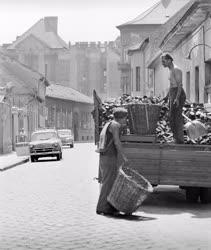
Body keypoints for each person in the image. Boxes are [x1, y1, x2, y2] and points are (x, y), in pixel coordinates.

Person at [96, 107, 128, 216]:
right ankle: (101, 207)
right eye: (125, 118)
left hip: (104, 156)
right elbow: (117, 142)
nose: (125, 120)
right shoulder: (116, 125)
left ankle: (109, 206)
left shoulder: (108, 123)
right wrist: (123, 156)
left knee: (109, 182)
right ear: (121, 118)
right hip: (109, 156)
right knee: (108, 183)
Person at [161, 53, 186, 144]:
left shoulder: (176, 69)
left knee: (177, 117)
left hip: (178, 94)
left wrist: (177, 98)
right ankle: (176, 138)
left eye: (164, 61)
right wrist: (167, 96)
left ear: (169, 60)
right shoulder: (170, 70)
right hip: (173, 93)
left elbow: (179, 85)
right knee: (171, 117)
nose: (162, 63)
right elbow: (172, 85)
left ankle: (180, 140)